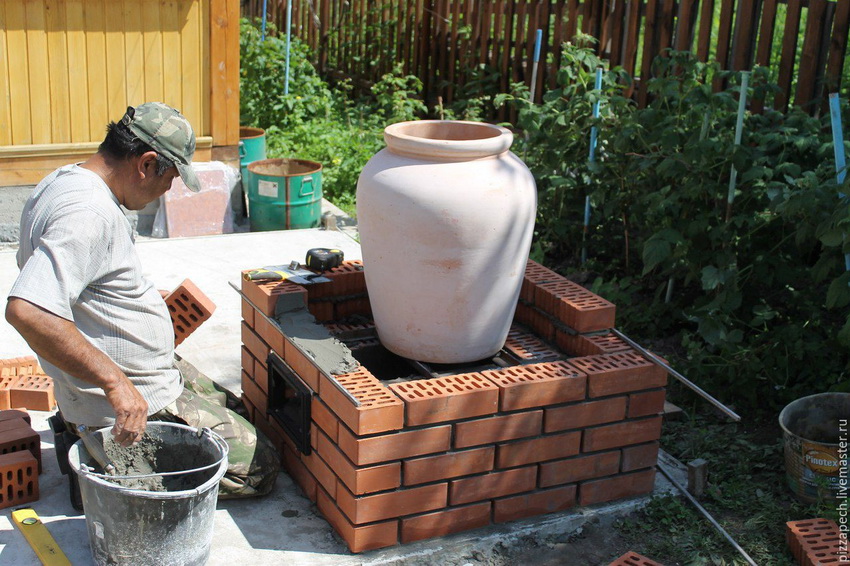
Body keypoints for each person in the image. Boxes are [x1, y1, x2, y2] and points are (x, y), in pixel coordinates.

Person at [5, 102, 279, 501]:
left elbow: (87, 278)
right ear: (147, 164)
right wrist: (116, 385)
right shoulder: (87, 213)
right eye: (170, 178)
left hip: (141, 374)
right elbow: (28, 310)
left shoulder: (65, 180)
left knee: (235, 406)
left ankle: (96, 445)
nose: (168, 190)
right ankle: (110, 473)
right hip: (126, 400)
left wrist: (140, 299)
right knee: (259, 467)